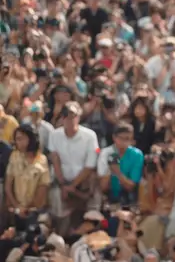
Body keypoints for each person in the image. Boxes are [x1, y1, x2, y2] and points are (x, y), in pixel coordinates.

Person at [47, 101, 99, 235]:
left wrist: (73, 185)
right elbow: (55, 159)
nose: (70, 120)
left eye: (73, 116)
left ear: (79, 117)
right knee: (56, 199)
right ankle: (60, 235)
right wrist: (64, 184)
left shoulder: (90, 136)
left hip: (83, 181)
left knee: (95, 200)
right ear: (62, 118)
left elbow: (90, 165)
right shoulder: (54, 135)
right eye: (66, 116)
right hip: (61, 181)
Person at [4, 123, 50, 231]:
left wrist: (27, 209)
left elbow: (42, 188)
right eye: (17, 139)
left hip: (34, 211)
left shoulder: (42, 160)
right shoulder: (14, 156)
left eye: (22, 139)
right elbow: (8, 185)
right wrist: (17, 207)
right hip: (16, 209)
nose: (18, 142)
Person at [97, 123, 144, 207]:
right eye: (121, 138)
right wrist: (108, 170)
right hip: (109, 196)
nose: (124, 142)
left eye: (128, 139)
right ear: (114, 137)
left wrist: (117, 172)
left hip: (129, 197)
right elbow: (103, 187)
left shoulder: (137, 155)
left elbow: (131, 186)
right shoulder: (105, 153)